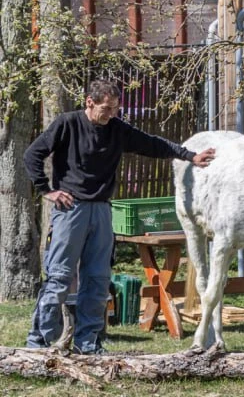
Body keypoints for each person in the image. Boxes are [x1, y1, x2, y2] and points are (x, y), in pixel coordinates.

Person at [24, 79, 216, 354]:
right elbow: (32, 155)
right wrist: (47, 190)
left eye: (115, 108)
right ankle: (39, 344)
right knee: (59, 277)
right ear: (90, 102)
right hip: (70, 210)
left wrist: (190, 156)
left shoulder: (117, 129)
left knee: (98, 279)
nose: (111, 114)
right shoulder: (67, 124)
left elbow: (153, 144)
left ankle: (88, 344)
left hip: (102, 211)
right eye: (107, 108)